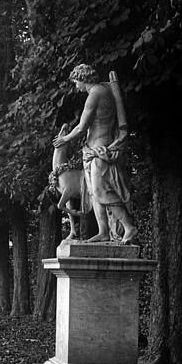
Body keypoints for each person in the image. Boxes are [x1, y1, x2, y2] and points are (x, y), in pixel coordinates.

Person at [53, 63, 137, 244]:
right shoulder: (103, 91)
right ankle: (103, 232)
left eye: (76, 82)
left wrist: (65, 139)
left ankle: (129, 226)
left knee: (100, 191)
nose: (76, 86)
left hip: (99, 151)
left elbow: (82, 127)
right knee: (93, 193)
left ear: (83, 79)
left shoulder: (95, 94)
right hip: (92, 152)